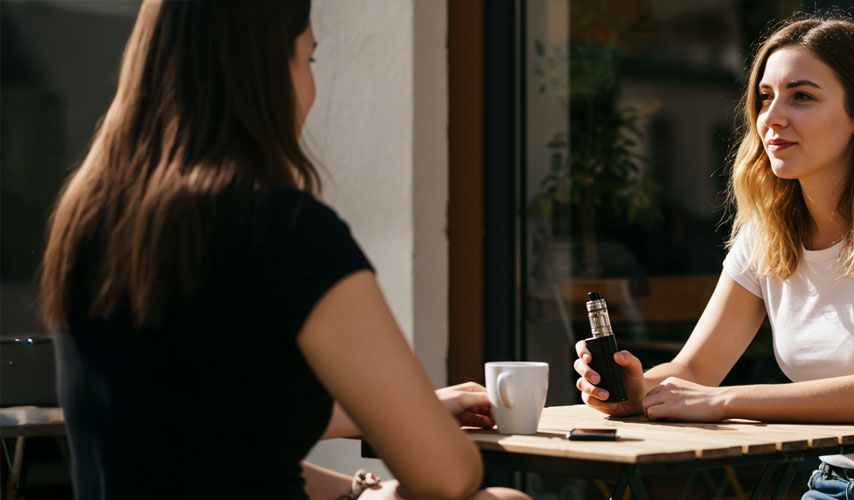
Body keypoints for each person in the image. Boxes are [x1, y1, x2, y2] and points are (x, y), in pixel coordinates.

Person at [38, 2, 528, 499]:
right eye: (308, 61)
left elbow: (202, 436)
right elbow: (446, 475)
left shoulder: (87, 222)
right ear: (265, 70)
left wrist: (367, 480)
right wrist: (423, 432)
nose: (311, 88)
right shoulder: (283, 228)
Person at [572, 14, 854, 500]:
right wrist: (634, 389)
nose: (773, 116)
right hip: (830, 487)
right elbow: (694, 372)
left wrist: (722, 402)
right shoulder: (768, 231)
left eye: (802, 96)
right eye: (766, 97)